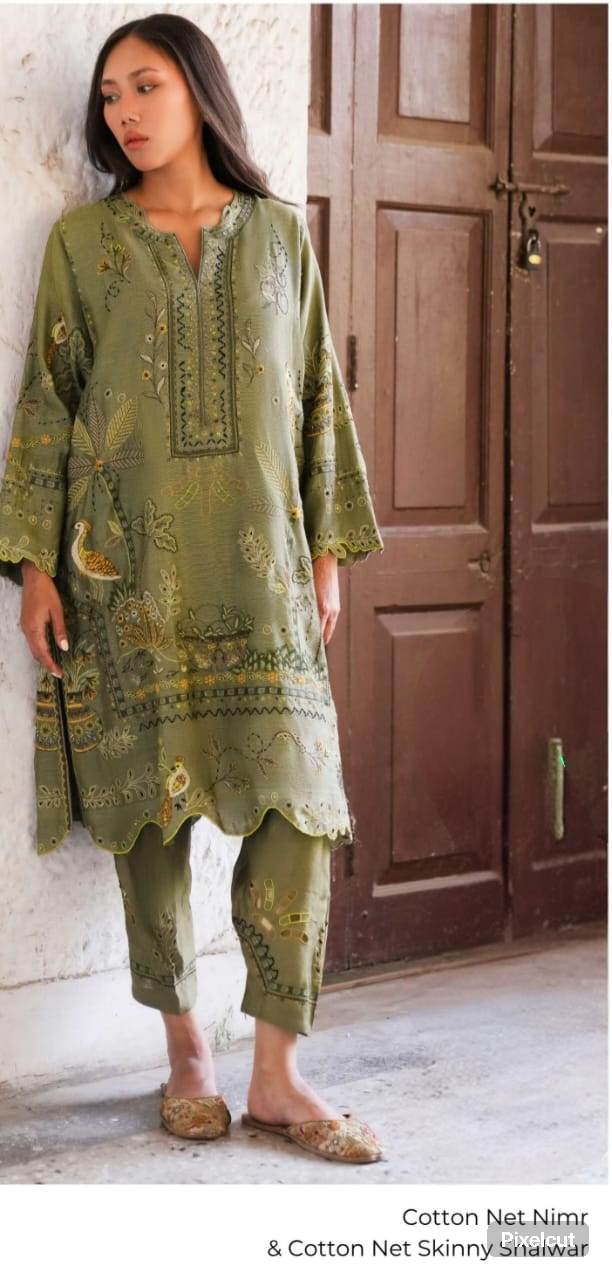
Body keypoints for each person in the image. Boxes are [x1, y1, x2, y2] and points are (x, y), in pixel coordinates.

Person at [0, 13, 384, 1164]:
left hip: (263, 572)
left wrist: (325, 557)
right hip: (127, 581)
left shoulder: (279, 236)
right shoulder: (83, 244)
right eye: (108, 94)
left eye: (146, 85)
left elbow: (317, 395)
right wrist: (35, 567)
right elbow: (48, 404)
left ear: (200, 90)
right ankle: (186, 1055)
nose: (122, 110)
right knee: (149, 814)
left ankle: (276, 1070)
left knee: (299, 807)